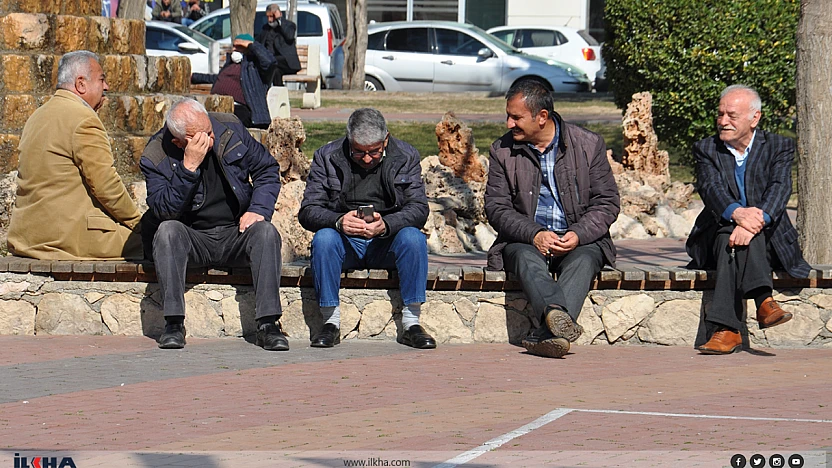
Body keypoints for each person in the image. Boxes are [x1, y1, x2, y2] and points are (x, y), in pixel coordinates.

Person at [485, 79, 620, 359]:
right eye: (508, 116)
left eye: (516, 117)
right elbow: (497, 208)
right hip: (525, 240)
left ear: (542, 117)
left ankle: (547, 334)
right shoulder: (502, 151)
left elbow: (607, 203)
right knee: (524, 258)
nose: (509, 123)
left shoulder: (588, 144)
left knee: (585, 258)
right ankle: (555, 320)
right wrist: (534, 233)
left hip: (579, 239)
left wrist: (579, 234)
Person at [140, 99, 286, 351]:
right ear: (179, 142)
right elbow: (165, 210)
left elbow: (267, 169)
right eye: (201, 137)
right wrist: (188, 168)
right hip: (194, 237)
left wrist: (257, 209)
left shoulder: (228, 128)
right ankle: (173, 324)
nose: (211, 138)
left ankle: (268, 324)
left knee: (266, 232)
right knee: (167, 232)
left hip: (236, 232)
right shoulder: (155, 155)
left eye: (209, 131)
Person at [686, 85, 811, 355]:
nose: (722, 121)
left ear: (755, 118)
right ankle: (764, 302)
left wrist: (755, 221)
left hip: (769, 238)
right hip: (717, 233)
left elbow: (780, 188)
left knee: (736, 240)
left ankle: (727, 331)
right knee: (727, 235)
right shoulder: (707, 148)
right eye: (720, 114)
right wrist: (739, 215)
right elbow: (711, 189)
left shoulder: (778, 146)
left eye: (731, 115)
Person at [298, 108, 435, 350]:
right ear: (348, 140)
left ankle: (412, 323)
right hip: (345, 242)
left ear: (386, 139)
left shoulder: (406, 155)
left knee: (414, 238)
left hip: (387, 242)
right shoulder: (326, 156)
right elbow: (308, 210)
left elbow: (419, 208)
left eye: (374, 151)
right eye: (359, 151)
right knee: (324, 239)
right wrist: (339, 221)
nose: (367, 158)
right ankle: (330, 322)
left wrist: (387, 225)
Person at [8, 50, 142, 260]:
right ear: (81, 84)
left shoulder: (37, 116)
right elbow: (106, 186)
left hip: (26, 236)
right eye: (101, 79)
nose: (106, 87)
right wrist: (138, 223)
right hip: (66, 238)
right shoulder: (83, 119)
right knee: (158, 244)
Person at [191, 34, 275, 129]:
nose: (234, 49)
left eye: (239, 47)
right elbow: (218, 78)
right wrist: (193, 77)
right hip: (218, 104)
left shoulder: (254, 67)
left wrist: (252, 45)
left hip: (241, 108)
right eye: (233, 46)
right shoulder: (230, 64)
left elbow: (270, 62)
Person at [256, 3, 301, 86]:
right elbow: (258, 43)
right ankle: (279, 95)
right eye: (267, 17)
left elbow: (290, 36)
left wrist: (279, 20)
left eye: (272, 16)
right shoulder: (265, 28)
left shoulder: (289, 25)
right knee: (275, 70)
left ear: (279, 14)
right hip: (273, 64)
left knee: (272, 61)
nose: (269, 20)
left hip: (287, 62)